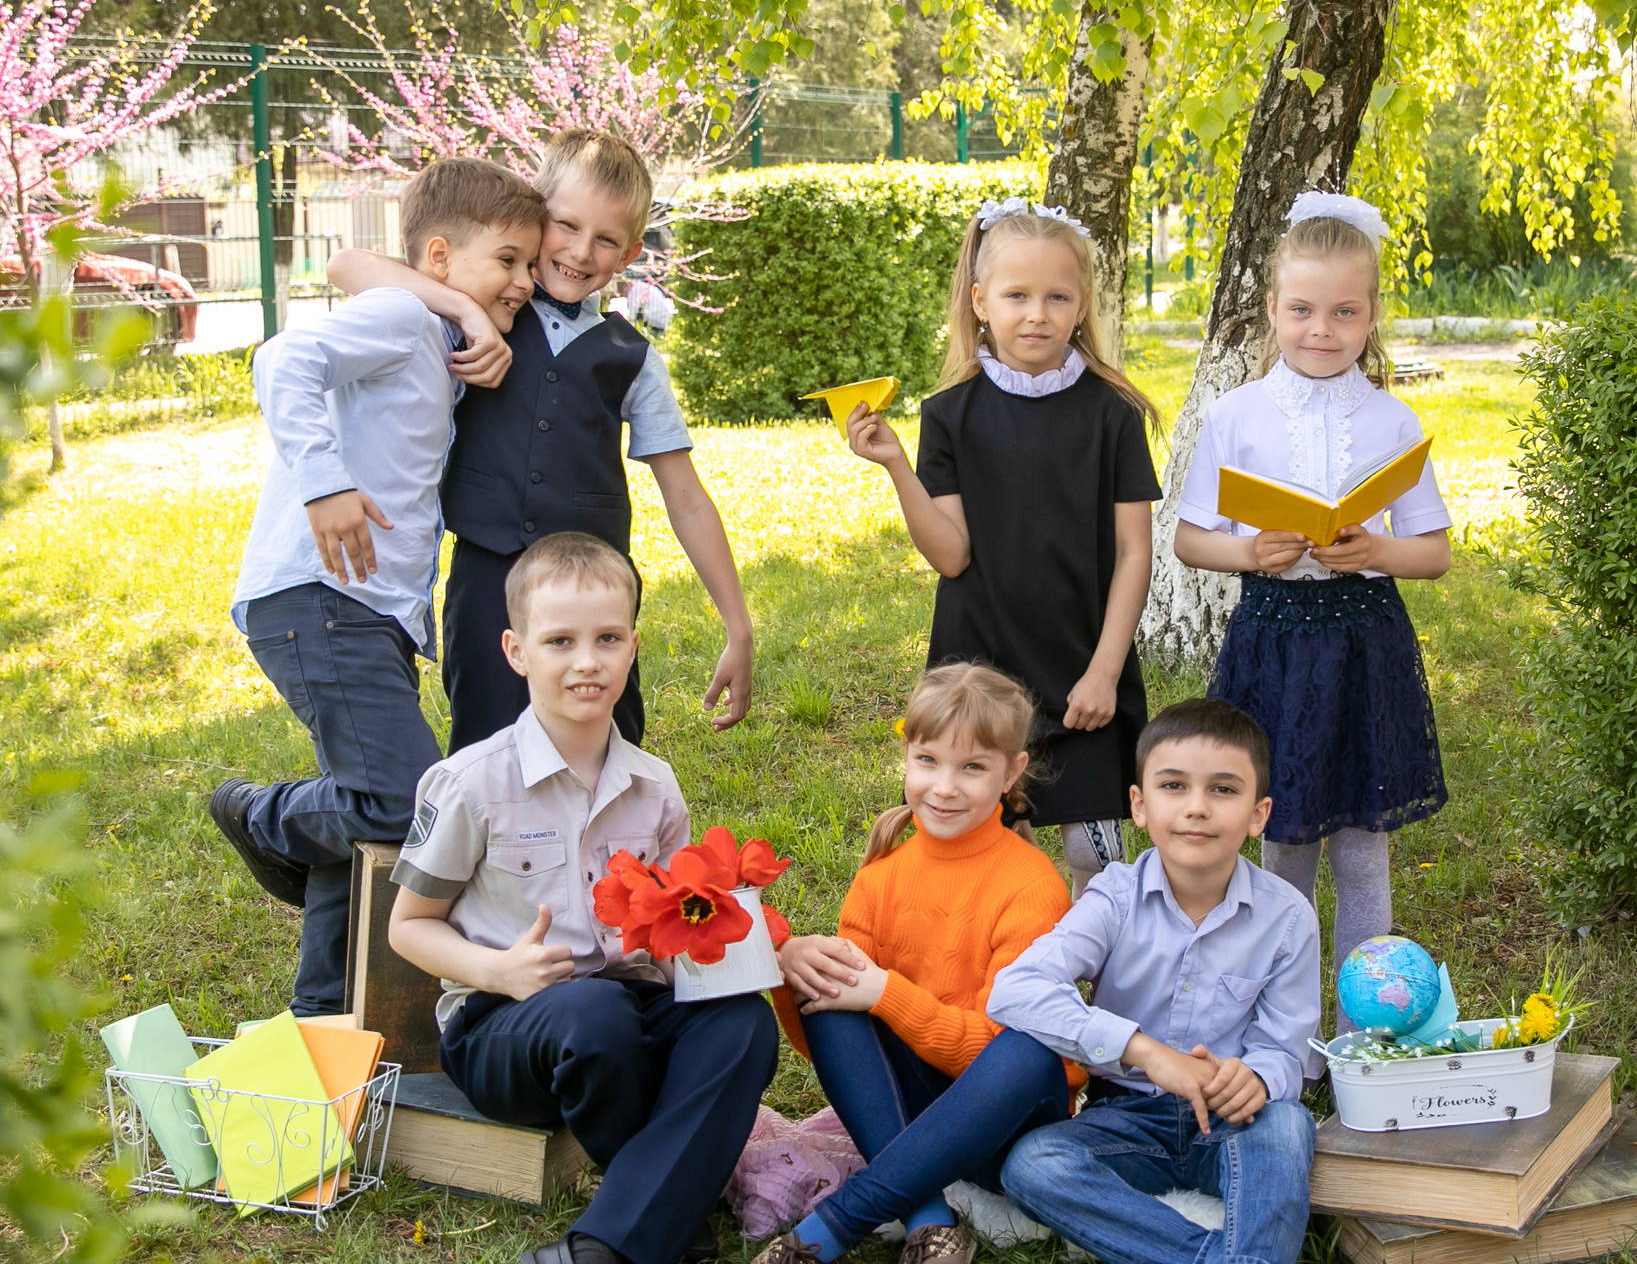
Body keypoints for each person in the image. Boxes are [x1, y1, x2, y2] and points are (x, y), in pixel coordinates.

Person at [383, 533, 778, 1264]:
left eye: (607, 639)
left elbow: (667, 934)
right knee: (593, 1011)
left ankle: (591, 1257)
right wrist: (495, 971)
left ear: (634, 646)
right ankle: (671, 1200)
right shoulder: (473, 783)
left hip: (622, 1004)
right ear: (516, 651)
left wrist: (733, 943)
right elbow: (406, 926)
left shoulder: (653, 785)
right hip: (504, 1027)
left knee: (742, 1023)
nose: (585, 662)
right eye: (559, 642)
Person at [209, 157, 544, 1016]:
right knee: (402, 799)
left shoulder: (438, 329)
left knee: (368, 816)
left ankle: (322, 1015)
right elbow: (282, 360)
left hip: (372, 612)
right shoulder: (400, 315)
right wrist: (324, 482)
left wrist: (469, 304)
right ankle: (263, 815)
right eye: (508, 259)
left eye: (532, 265)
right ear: (438, 257)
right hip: (320, 598)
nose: (525, 281)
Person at [327, 129, 756, 752]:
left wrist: (737, 626)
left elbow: (687, 500)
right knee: (486, 745)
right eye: (565, 225)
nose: (581, 251)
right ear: (535, 213)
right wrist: (467, 311)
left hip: (596, 593)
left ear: (631, 251)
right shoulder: (485, 301)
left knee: (606, 744)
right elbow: (347, 266)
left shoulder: (633, 360)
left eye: (606, 239)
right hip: (489, 578)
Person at [989, 699, 1350, 1264]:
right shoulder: (1114, 896)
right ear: (1139, 804)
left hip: (1232, 1123)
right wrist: (1142, 1050)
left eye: (1224, 789)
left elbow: (1287, 1047)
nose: (1197, 808)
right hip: (1130, 1116)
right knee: (1032, 1165)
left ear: (1258, 814)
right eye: (1174, 786)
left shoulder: (1286, 917)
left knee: (1289, 1126)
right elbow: (1015, 989)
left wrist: (1261, 1076)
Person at [722, 664, 1076, 1264]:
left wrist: (886, 993)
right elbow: (832, 1041)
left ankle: (822, 1237)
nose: (943, 788)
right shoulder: (883, 875)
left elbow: (1000, 1058)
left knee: (1029, 1051)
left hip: (1008, 1121)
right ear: (906, 757)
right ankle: (931, 1222)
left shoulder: (1032, 889)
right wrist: (791, 969)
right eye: (927, 760)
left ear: (1010, 773)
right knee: (827, 986)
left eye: (972, 768)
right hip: (913, 1108)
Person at [1169, 191, 1454, 984]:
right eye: (1301, 310)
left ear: (1370, 316)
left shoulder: (1392, 420)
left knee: (1363, 844)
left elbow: (1433, 553)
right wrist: (1252, 552)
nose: (1321, 331)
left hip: (1367, 637)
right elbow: (1191, 540)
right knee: (1281, 835)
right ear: (1271, 308)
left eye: (1343, 312)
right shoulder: (1237, 416)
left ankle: (1369, 1023)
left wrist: (1375, 548)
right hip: (1276, 636)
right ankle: (1282, 1030)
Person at [840, 198, 1161, 896]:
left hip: (1085, 672)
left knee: (1099, 862)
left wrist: (1105, 672)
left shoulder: (1113, 415)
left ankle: (1100, 998)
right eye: (1017, 295)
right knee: (983, 866)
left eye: (1056, 297)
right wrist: (898, 465)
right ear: (981, 301)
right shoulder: (949, 415)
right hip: (978, 673)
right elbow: (951, 556)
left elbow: (1136, 553)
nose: (1037, 314)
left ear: (1082, 307)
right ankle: (989, 1001)